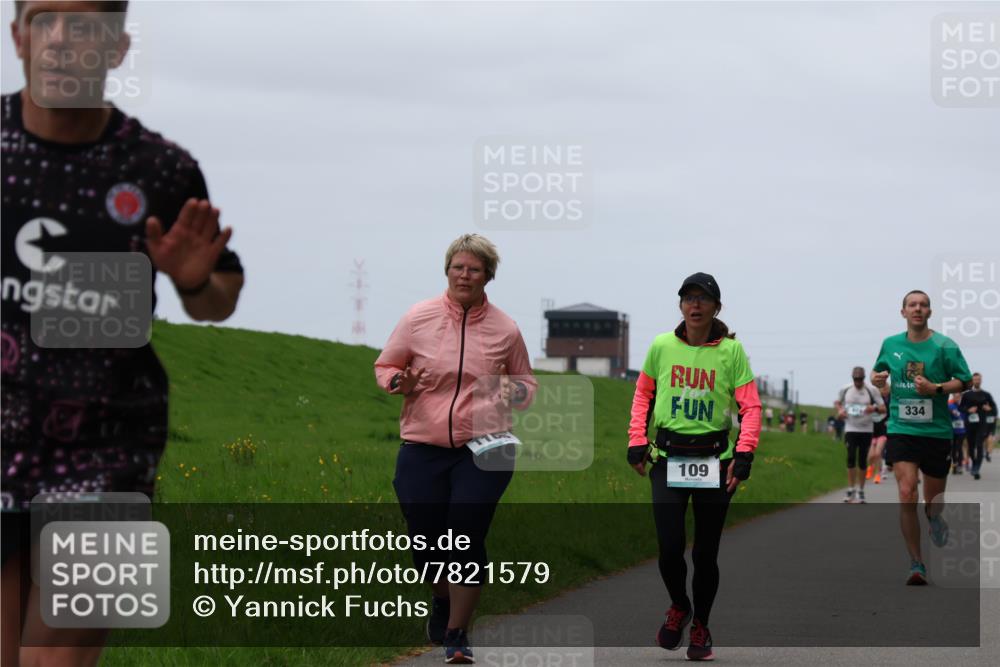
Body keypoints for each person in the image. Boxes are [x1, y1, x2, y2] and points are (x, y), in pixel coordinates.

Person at [1, 3, 245, 665]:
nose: (59, 40)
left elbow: (220, 296)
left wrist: (195, 281)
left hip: (110, 453)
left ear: (116, 48)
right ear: (18, 35)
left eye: (81, 26)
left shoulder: (162, 170)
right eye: (44, 20)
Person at [374, 234, 536, 664]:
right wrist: (398, 382)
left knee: (465, 535)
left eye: (475, 269)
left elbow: (528, 384)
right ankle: (442, 598)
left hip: (486, 447)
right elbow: (387, 364)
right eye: (458, 267)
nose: (465, 275)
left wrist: (512, 390)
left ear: (488, 276)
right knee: (426, 538)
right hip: (423, 445)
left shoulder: (506, 328)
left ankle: (458, 633)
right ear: (447, 270)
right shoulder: (418, 318)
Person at [627, 272, 761, 662]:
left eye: (703, 298)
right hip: (668, 459)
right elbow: (643, 395)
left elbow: (750, 406)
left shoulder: (732, 351)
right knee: (669, 547)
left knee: (705, 553)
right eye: (688, 298)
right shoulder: (661, 346)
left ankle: (701, 624)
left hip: (715, 464)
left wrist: (745, 452)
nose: (695, 304)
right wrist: (637, 440)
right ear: (681, 305)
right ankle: (678, 605)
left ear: (717, 307)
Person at [872, 290, 971, 585]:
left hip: (937, 432)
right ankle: (917, 563)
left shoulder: (945, 346)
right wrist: (879, 381)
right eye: (912, 305)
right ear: (903, 312)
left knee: (933, 499)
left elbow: (964, 380)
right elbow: (879, 374)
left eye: (923, 305)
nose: (918, 309)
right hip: (902, 429)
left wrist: (936, 388)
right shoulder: (891, 344)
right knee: (906, 493)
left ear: (930, 312)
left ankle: (934, 516)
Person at [834, 367, 886, 503]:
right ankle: (851, 489)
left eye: (860, 379)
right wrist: (840, 410)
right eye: (855, 379)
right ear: (852, 378)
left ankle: (861, 491)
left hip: (866, 429)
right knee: (851, 458)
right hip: (851, 428)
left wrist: (873, 408)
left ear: (864, 378)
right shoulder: (846, 389)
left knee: (862, 460)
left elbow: (883, 408)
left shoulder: (871, 390)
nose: (858, 382)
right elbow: (837, 402)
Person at [959, 372, 996, 480]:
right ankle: (974, 463)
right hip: (970, 424)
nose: (977, 381)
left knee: (979, 445)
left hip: (982, 424)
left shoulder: (986, 395)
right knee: (971, 447)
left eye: (979, 379)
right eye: (975, 380)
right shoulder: (966, 394)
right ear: (972, 381)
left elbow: (994, 409)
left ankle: (976, 468)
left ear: (981, 380)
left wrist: (990, 409)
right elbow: (960, 408)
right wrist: (968, 410)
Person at [869, 382, 892, 482]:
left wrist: (889, 421)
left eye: (886, 389)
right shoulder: (873, 399)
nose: (885, 391)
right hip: (871, 430)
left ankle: (878, 474)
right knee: (871, 456)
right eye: (883, 389)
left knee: (878, 453)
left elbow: (891, 412)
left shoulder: (889, 400)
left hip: (883, 430)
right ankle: (870, 468)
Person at [948, 393, 966, 475]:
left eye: (958, 397)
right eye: (955, 396)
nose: (957, 398)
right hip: (953, 430)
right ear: (953, 397)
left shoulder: (964, 406)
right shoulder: (950, 405)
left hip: (961, 431)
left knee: (959, 447)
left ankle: (960, 466)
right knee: (953, 448)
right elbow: (950, 412)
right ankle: (954, 464)